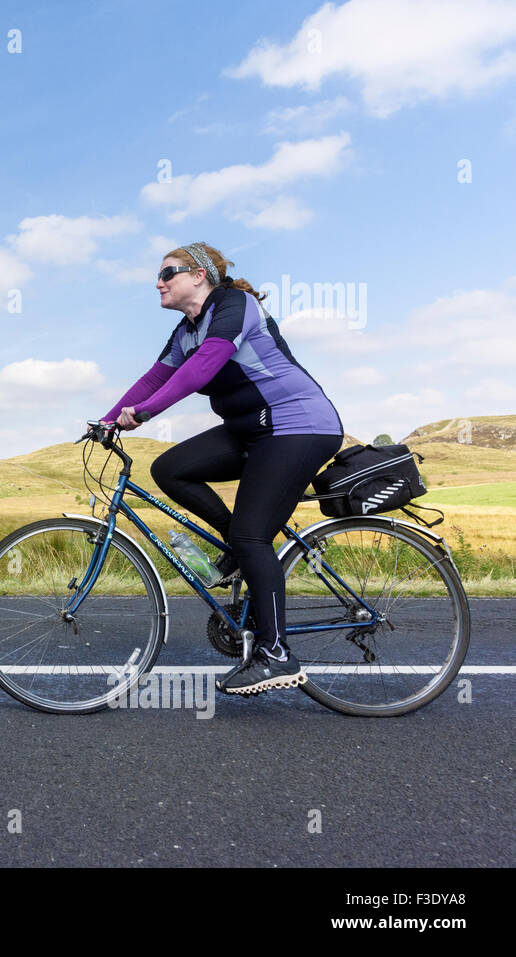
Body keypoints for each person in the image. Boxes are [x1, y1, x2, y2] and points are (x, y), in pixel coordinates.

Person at [100, 242, 343, 696]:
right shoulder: (185, 329)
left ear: (199, 275)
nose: (159, 282)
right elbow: (155, 377)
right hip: (251, 429)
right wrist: (109, 419)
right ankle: (239, 548)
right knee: (171, 468)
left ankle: (275, 654)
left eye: (168, 273)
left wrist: (146, 413)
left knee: (252, 536)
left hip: (297, 424)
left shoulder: (234, 305)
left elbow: (202, 367)